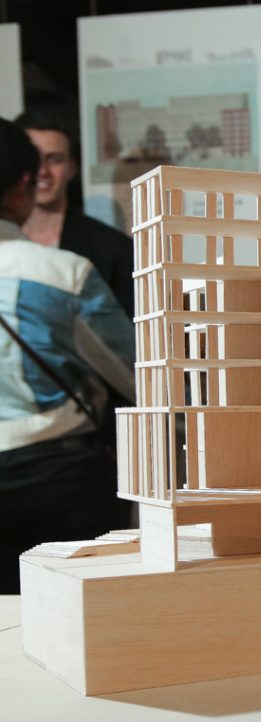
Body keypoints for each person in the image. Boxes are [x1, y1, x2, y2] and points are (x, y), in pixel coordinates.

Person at [0, 118, 135, 593]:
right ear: (21, 184)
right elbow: (136, 375)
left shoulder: (94, 250)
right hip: (58, 480)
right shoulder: (64, 274)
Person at [15, 107, 134, 314]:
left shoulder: (113, 250)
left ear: (72, 168)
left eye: (55, 159)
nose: (43, 171)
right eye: (33, 158)